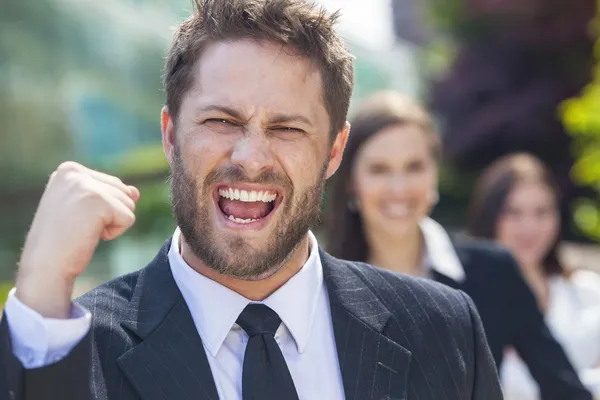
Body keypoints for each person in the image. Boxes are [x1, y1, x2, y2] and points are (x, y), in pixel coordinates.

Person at [0, 1, 502, 400]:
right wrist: (42, 289)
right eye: (221, 121)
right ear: (171, 136)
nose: (252, 158)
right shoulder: (69, 350)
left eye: (286, 128)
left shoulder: (444, 330)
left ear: (333, 152)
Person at [325, 90, 593, 400]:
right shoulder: (321, 288)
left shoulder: (494, 272)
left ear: (434, 174)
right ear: (351, 181)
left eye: (414, 167)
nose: (399, 188)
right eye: (379, 169)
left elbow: (567, 390)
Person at [468, 153, 600, 399]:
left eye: (542, 212)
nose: (529, 227)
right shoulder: (465, 303)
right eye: (513, 213)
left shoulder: (588, 293)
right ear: (489, 215)